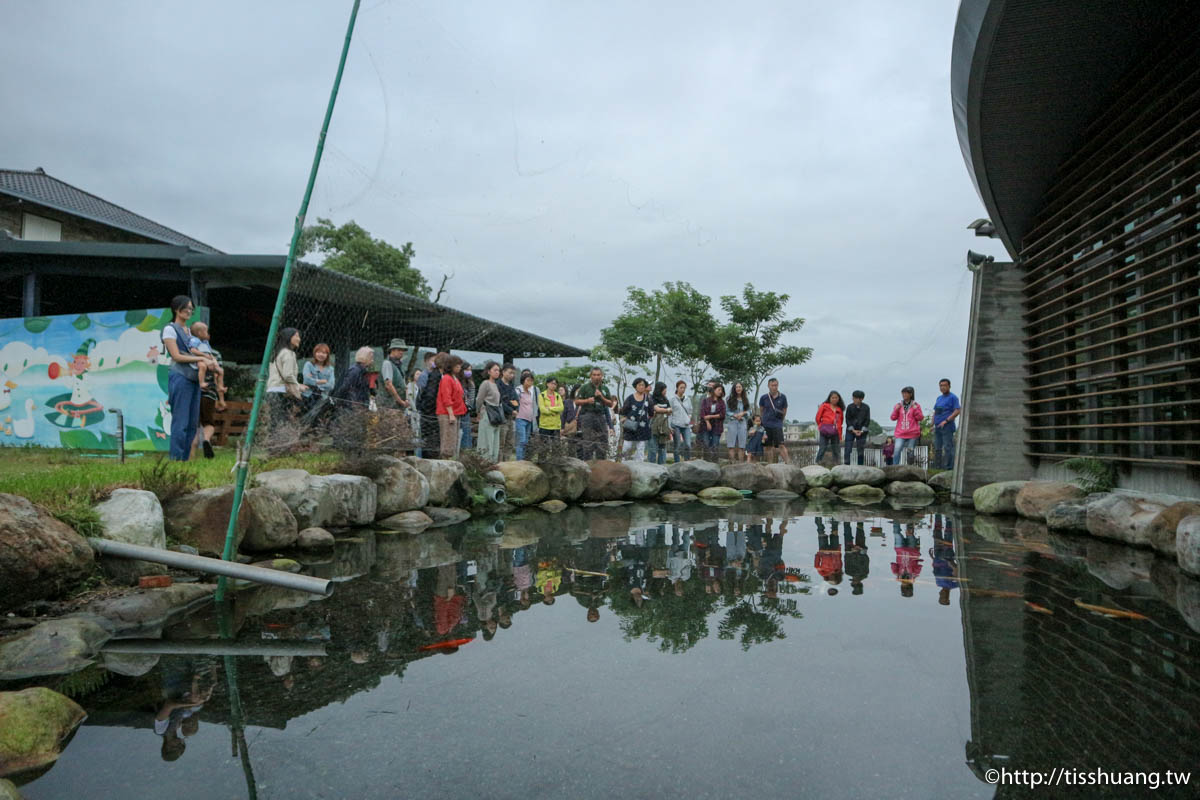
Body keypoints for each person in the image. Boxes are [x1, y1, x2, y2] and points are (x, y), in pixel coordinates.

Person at [160, 296, 207, 461]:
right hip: (180, 377)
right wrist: (201, 360)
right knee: (180, 421)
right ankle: (176, 458)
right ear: (176, 309)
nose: (189, 311)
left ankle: (185, 459)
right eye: (186, 308)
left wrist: (208, 358)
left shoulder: (189, 330)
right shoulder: (170, 329)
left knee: (192, 422)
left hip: (193, 378)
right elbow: (176, 356)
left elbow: (196, 351)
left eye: (191, 308)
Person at [189, 321, 226, 460]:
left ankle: (191, 456)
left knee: (193, 424)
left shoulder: (188, 351)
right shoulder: (214, 354)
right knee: (208, 423)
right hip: (209, 392)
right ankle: (206, 440)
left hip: (193, 392)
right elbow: (217, 375)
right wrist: (221, 399)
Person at [267, 327, 306, 430]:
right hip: (281, 392)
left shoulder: (278, 352)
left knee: (274, 421)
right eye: (296, 336)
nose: (299, 339)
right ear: (289, 337)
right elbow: (288, 375)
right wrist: (298, 386)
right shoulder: (289, 353)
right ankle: (279, 443)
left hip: (272, 390)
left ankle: (272, 443)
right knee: (281, 422)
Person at [575, 367, 616, 460]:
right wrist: (587, 400)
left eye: (598, 375)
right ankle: (588, 464)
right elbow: (576, 402)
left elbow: (610, 404)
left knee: (603, 439)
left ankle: (601, 463)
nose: (596, 377)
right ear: (591, 376)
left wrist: (601, 397)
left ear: (602, 376)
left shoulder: (605, 388)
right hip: (587, 415)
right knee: (587, 441)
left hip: (600, 415)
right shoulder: (585, 387)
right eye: (594, 375)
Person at [184, 321, 224, 409]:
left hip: (209, 362)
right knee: (202, 366)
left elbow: (210, 353)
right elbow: (193, 350)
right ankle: (201, 382)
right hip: (199, 360)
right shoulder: (194, 340)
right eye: (206, 331)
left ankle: (220, 386)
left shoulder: (206, 343)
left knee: (220, 371)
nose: (208, 334)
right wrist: (204, 356)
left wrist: (213, 360)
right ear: (199, 333)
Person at [436, 354, 466, 458]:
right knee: (448, 440)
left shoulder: (455, 378)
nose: (459, 367)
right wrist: (451, 414)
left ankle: (450, 458)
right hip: (447, 413)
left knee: (453, 439)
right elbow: (446, 397)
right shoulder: (446, 379)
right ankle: (445, 460)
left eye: (459, 365)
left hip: (457, 412)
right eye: (456, 365)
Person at [417, 352, 446, 456]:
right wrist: (432, 412)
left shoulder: (437, 375)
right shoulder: (433, 376)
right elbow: (429, 396)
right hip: (430, 414)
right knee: (430, 442)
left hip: (431, 413)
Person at [619, 377, 653, 461]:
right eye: (639, 385)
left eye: (643, 385)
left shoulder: (648, 398)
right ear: (635, 386)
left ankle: (639, 467)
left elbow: (651, 412)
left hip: (643, 427)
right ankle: (624, 465)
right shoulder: (630, 398)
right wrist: (624, 419)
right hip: (630, 426)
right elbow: (623, 411)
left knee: (640, 448)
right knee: (627, 446)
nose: (641, 387)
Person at [475, 361, 503, 462]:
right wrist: (478, 411)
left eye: (498, 370)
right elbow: (479, 399)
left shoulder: (496, 385)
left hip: (496, 415)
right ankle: (485, 460)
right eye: (495, 370)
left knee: (495, 440)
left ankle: (493, 460)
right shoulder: (485, 383)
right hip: (486, 413)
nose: (497, 372)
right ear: (488, 371)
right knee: (486, 439)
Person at [890, 386, 924, 466]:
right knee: (897, 449)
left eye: (906, 393)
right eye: (903, 393)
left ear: (911, 394)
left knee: (910, 451)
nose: (904, 394)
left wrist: (915, 409)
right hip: (900, 433)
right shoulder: (898, 405)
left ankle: (910, 467)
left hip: (912, 433)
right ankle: (895, 467)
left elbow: (920, 418)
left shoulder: (916, 405)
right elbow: (892, 418)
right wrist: (896, 410)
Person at [758, 378, 790, 464]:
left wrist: (780, 421)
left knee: (781, 445)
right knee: (768, 446)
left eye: (776, 385)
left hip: (777, 424)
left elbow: (784, 410)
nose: (774, 387)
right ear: (768, 386)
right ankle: (770, 464)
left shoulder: (783, 397)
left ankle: (788, 463)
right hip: (766, 424)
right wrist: (762, 421)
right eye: (772, 385)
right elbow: (761, 410)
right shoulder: (763, 398)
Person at [932, 378, 961, 470]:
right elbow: (935, 411)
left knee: (948, 447)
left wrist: (946, 420)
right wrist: (931, 424)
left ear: (949, 386)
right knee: (937, 447)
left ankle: (948, 467)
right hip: (937, 426)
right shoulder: (939, 398)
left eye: (945, 385)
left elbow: (957, 410)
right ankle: (937, 467)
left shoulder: (953, 397)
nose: (943, 387)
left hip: (947, 426)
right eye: (941, 385)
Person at [377, 338, 410, 413]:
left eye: (403, 350)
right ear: (392, 350)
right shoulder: (387, 363)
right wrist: (401, 401)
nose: (401, 352)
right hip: (388, 406)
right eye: (399, 350)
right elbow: (388, 385)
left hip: (396, 406)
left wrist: (406, 400)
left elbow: (404, 386)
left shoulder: (399, 366)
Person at [891, 521, 923, 598]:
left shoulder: (899, 575)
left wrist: (897, 574)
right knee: (910, 531)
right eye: (907, 583)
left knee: (896, 533)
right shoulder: (914, 574)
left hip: (900, 549)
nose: (905, 579)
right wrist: (913, 576)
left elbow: (893, 565)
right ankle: (910, 515)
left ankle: (896, 517)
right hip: (912, 549)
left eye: (903, 584)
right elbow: (920, 566)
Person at [814, 390, 845, 466]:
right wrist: (821, 426)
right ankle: (817, 463)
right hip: (825, 430)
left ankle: (837, 464)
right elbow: (818, 418)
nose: (834, 399)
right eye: (833, 398)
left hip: (835, 431)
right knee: (822, 448)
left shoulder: (839, 410)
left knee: (836, 449)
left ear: (838, 399)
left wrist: (840, 437)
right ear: (829, 398)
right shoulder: (824, 406)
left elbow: (840, 423)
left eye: (836, 398)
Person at [514, 371, 539, 460]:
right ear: (523, 380)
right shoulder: (518, 390)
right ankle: (519, 460)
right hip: (520, 419)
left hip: (530, 420)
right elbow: (513, 402)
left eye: (532, 381)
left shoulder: (530, 392)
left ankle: (524, 460)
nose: (530, 382)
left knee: (526, 441)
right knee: (521, 441)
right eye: (528, 380)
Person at [843, 390, 870, 466]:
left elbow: (867, 420)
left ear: (861, 399)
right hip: (851, 430)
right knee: (848, 448)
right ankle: (846, 464)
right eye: (853, 398)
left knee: (860, 449)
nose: (854, 399)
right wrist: (853, 430)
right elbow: (847, 419)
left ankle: (860, 465)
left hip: (862, 431)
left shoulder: (866, 407)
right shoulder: (850, 407)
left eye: (855, 398)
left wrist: (862, 431)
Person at [668, 379, 693, 462]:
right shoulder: (672, 399)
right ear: (677, 388)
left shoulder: (688, 399)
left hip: (686, 425)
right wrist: (669, 425)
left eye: (684, 388)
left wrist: (689, 418)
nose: (683, 389)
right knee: (677, 445)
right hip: (676, 424)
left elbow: (690, 410)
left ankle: (687, 461)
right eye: (681, 387)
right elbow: (669, 413)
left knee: (688, 445)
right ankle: (677, 462)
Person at [725, 381, 751, 462]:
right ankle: (732, 462)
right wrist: (734, 415)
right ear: (734, 389)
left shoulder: (745, 399)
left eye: (740, 387)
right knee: (731, 445)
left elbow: (749, 411)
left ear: (742, 388)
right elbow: (726, 411)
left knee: (742, 445)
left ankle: (741, 464)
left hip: (742, 423)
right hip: (732, 422)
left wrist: (743, 413)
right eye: (736, 387)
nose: (738, 388)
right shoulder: (729, 399)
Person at [647, 381, 672, 465]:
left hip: (664, 426)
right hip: (654, 425)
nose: (665, 391)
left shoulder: (666, 399)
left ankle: (662, 465)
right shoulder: (652, 398)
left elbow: (670, 411)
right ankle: (651, 465)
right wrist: (666, 410)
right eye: (664, 389)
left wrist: (664, 411)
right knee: (653, 448)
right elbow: (656, 409)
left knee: (662, 448)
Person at [699, 383, 726, 459]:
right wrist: (707, 422)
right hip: (705, 426)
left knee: (715, 445)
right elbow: (702, 413)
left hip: (717, 427)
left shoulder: (722, 402)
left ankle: (715, 462)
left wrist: (711, 416)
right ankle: (706, 462)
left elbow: (722, 414)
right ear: (714, 390)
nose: (720, 391)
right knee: (706, 444)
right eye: (719, 390)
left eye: (721, 390)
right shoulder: (705, 401)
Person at [498, 364, 519, 458]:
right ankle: (499, 464)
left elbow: (516, 400)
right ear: (503, 372)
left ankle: (507, 463)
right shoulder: (498, 385)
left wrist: (515, 408)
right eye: (510, 373)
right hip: (502, 418)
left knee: (510, 443)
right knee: (501, 443)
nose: (512, 375)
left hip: (512, 418)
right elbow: (500, 402)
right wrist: (511, 409)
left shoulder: (511, 386)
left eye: (513, 373)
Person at [843, 521, 869, 596]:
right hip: (861, 550)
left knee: (847, 533)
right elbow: (866, 560)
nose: (854, 582)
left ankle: (846, 520)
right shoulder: (865, 573)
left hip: (849, 550)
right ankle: (860, 519)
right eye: (856, 584)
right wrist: (860, 550)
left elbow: (846, 559)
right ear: (860, 583)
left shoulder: (848, 572)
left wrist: (851, 551)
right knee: (860, 532)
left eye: (853, 584)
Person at [537, 376, 564, 441]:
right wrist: (555, 410)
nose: (553, 385)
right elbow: (542, 410)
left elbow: (561, 408)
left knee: (556, 447)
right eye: (552, 383)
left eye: (555, 384)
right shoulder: (542, 395)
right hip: (545, 425)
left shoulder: (558, 396)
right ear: (547, 384)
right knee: (544, 447)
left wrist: (549, 408)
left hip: (556, 425)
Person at [459, 365, 477, 451]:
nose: (469, 371)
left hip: (466, 410)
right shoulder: (458, 381)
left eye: (470, 369)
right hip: (458, 409)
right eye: (466, 369)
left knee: (466, 432)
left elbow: (471, 399)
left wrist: (468, 407)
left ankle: (466, 450)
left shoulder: (471, 383)